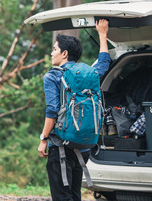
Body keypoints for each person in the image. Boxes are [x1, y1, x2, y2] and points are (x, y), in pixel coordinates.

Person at [38, 19, 111, 201]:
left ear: (64, 53)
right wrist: (103, 34)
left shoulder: (53, 76)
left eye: (54, 49)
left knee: (62, 196)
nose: (51, 52)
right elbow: (104, 62)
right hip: (83, 145)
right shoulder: (88, 74)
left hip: (60, 144)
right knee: (74, 194)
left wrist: (44, 138)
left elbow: (52, 110)